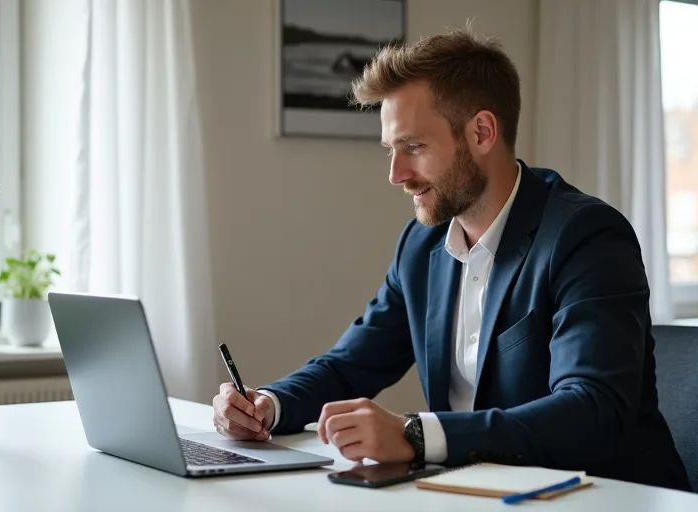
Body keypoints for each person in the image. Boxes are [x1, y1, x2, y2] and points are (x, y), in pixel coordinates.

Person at [211, 26, 691, 491]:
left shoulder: (585, 237)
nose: (397, 174)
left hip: (605, 499)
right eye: (390, 151)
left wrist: (416, 435)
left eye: (413, 147)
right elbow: (349, 366)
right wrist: (267, 405)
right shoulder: (421, 247)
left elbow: (591, 410)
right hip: (478, 494)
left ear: (482, 132)